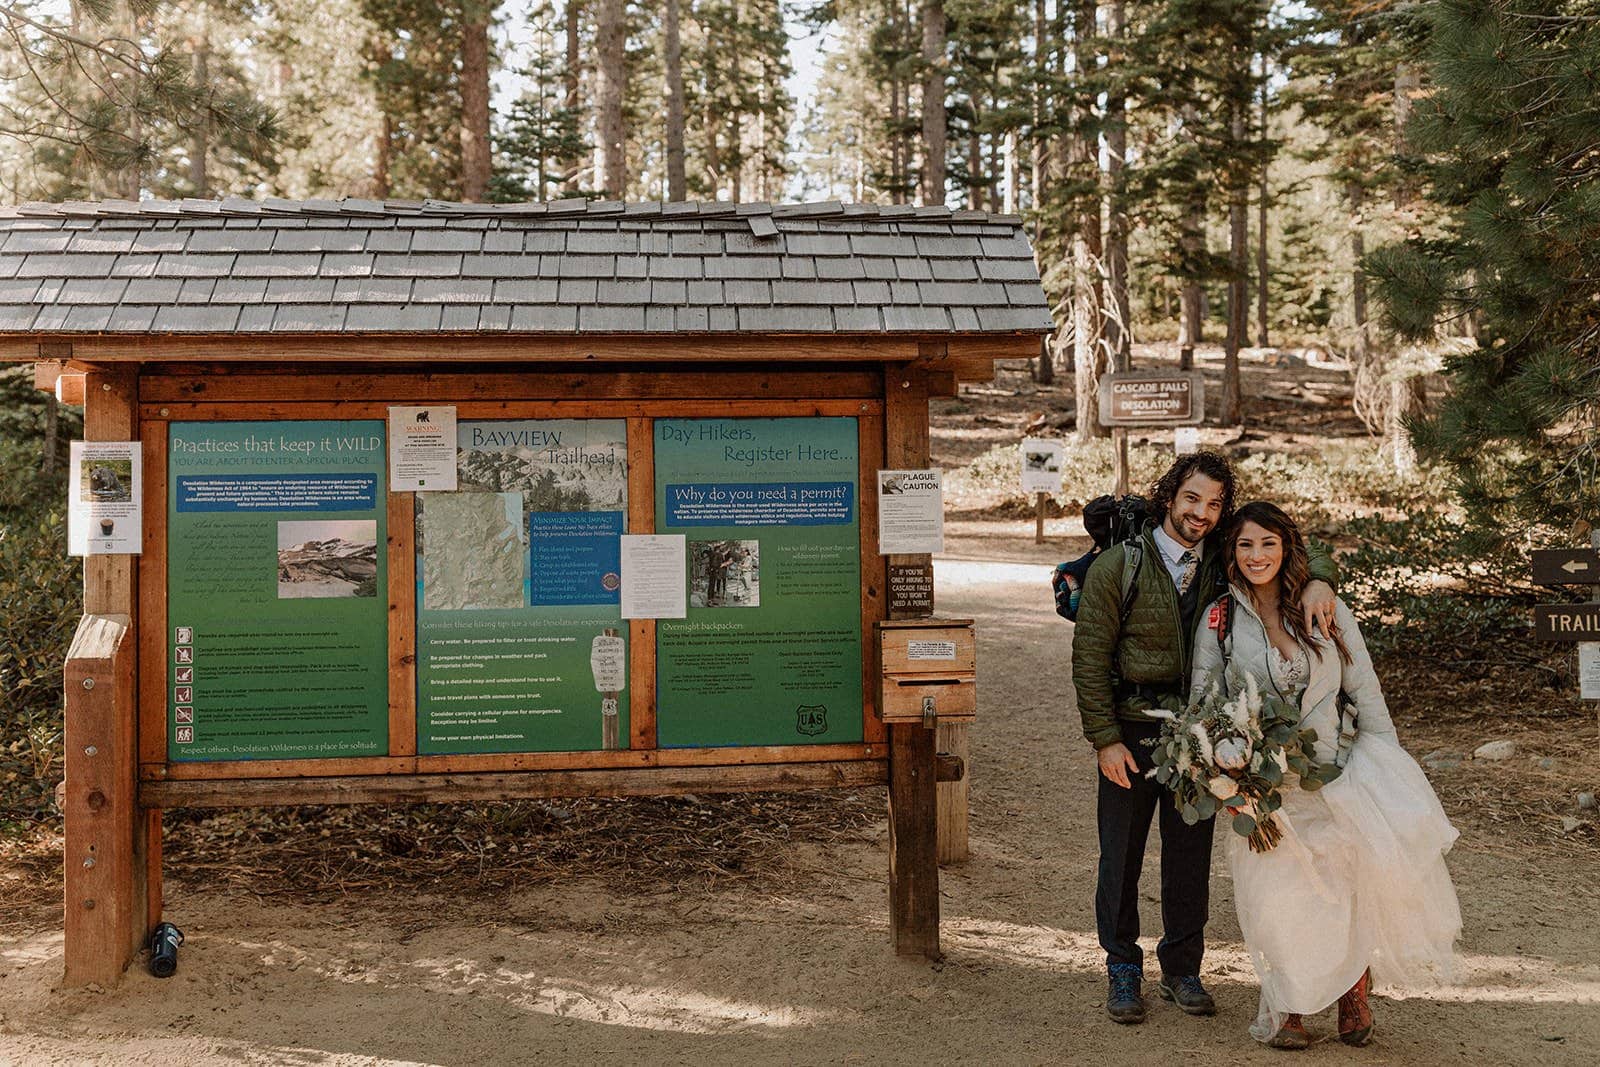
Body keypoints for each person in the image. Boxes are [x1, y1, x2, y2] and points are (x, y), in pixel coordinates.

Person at [1072, 452, 1341, 1025]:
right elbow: (1089, 659)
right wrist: (1104, 738)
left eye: (1215, 505)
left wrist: (1320, 579)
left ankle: (1181, 969)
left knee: (1189, 853)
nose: (1202, 513)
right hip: (1133, 729)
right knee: (1120, 853)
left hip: (1204, 730)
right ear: (1169, 496)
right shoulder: (1119, 566)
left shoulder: (1223, 562)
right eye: (1192, 499)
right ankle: (1122, 967)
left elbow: (1289, 544)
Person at [1192, 501, 1461, 1049]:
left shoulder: (1325, 607)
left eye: (1268, 543)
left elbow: (1364, 688)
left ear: (1287, 547)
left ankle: (1353, 995)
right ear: (1231, 553)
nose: (1257, 555)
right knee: (1279, 896)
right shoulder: (1219, 619)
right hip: (1265, 787)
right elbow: (1203, 698)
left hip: (1335, 774)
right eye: (1245, 545)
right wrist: (1219, 765)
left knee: (1345, 888)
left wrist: (1389, 762)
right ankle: (1289, 1003)